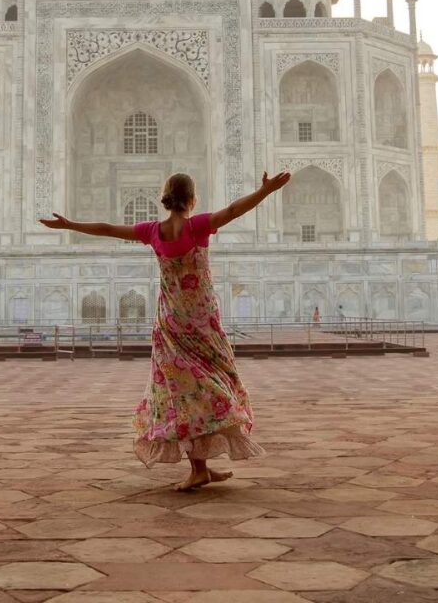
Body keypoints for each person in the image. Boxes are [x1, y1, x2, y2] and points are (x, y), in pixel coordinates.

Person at [40, 170, 289, 492]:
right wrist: (264, 191)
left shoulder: (153, 231)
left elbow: (106, 229)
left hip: (170, 321)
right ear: (192, 198)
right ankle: (201, 465)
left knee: (182, 393)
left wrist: (70, 225)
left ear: (166, 197)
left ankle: (200, 467)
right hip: (201, 321)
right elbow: (232, 211)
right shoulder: (197, 226)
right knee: (209, 385)